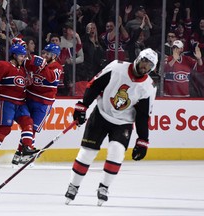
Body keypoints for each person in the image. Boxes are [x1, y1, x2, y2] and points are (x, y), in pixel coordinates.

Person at [64, 48, 158, 206]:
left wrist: (143, 140)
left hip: (123, 123)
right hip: (101, 114)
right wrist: (82, 106)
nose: (144, 67)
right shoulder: (116, 67)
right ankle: (73, 185)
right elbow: (95, 85)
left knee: (117, 152)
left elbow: (142, 116)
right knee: (87, 153)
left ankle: (104, 187)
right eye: (144, 62)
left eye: (148, 66)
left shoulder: (148, 87)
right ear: (138, 59)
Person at [0, 44, 38, 168]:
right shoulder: (4, 66)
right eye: (21, 56)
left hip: (21, 103)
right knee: (4, 130)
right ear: (14, 55)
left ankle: (25, 148)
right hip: (7, 103)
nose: (23, 58)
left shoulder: (23, 69)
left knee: (28, 122)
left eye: (24, 56)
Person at [11, 43, 63, 165]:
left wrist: (42, 66)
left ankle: (20, 153)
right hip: (29, 98)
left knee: (32, 129)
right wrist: (26, 54)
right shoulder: (39, 62)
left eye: (47, 54)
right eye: (44, 52)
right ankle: (23, 152)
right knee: (27, 127)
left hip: (44, 103)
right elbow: (24, 63)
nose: (44, 55)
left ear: (54, 56)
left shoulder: (57, 67)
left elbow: (50, 78)